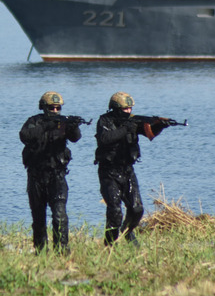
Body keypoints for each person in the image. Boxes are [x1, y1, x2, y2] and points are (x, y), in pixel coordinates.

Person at [94, 92, 173, 247]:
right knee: (115, 211)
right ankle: (110, 245)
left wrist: (160, 126)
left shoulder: (133, 121)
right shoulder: (105, 120)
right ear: (115, 108)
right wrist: (126, 128)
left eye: (130, 109)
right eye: (125, 109)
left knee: (137, 209)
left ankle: (127, 231)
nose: (129, 111)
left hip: (127, 170)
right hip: (109, 172)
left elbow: (149, 133)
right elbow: (105, 139)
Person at [19, 91, 82, 253]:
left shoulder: (64, 122)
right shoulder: (34, 121)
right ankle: (41, 251)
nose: (55, 111)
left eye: (58, 108)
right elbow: (25, 136)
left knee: (60, 214)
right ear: (44, 108)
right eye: (51, 108)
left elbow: (75, 138)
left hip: (57, 175)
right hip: (36, 176)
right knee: (38, 216)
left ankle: (62, 250)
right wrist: (46, 126)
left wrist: (73, 127)